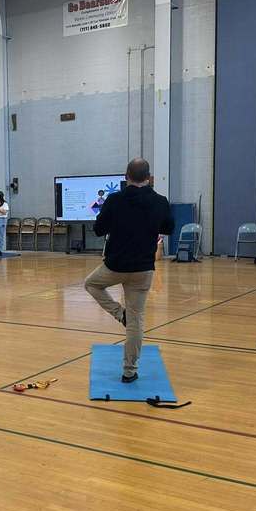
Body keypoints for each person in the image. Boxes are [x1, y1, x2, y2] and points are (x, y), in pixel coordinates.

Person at [84, 158, 174, 383]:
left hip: (115, 265)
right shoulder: (160, 201)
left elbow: (97, 230)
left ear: (126, 176)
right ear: (149, 177)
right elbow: (168, 227)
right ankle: (129, 371)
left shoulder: (115, 199)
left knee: (91, 284)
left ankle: (118, 313)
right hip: (143, 269)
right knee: (136, 321)